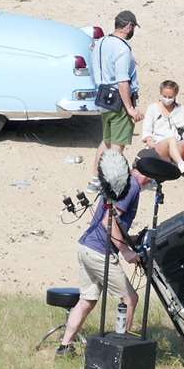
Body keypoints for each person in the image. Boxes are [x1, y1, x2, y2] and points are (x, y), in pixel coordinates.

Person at [56, 151, 145, 356]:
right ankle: (120, 351)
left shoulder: (121, 181)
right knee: (129, 298)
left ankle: (65, 346)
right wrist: (125, 251)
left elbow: (112, 220)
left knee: (87, 300)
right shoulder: (132, 186)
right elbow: (108, 222)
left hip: (86, 246)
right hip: (99, 251)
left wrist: (131, 240)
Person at [95, 10, 141, 157]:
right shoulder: (122, 48)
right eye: (133, 27)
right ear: (128, 26)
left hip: (102, 97)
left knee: (106, 142)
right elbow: (122, 81)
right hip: (119, 102)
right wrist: (130, 108)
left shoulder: (101, 42)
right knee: (117, 146)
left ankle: (96, 178)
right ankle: (112, 179)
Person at [141, 79, 184, 175]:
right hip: (160, 146)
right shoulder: (152, 108)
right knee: (170, 139)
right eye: (164, 96)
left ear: (175, 95)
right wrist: (150, 141)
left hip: (176, 147)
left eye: (170, 97)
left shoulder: (181, 109)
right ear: (160, 94)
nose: (167, 99)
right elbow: (147, 131)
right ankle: (181, 165)